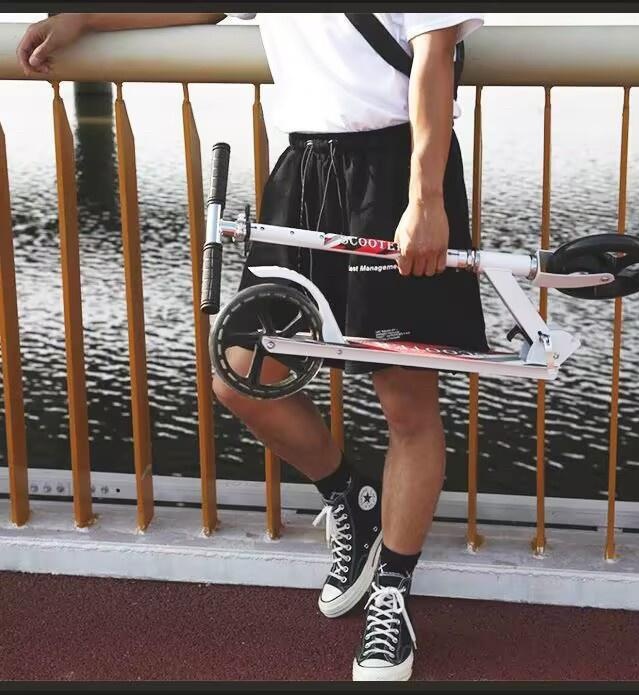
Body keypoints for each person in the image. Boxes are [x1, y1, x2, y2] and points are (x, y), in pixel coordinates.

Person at [17, 11, 488, 682]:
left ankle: (392, 590)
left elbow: (434, 57)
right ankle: (354, 498)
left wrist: (427, 198)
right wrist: (82, 18)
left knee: (406, 402)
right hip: (303, 172)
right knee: (239, 375)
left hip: (398, 171)